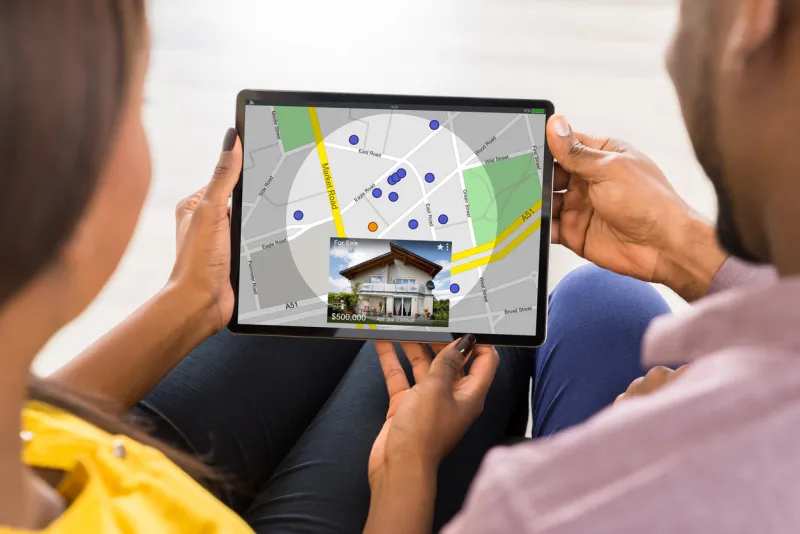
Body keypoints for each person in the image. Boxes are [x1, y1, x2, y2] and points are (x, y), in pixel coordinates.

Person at [0, 1, 664, 533]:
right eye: (135, 104)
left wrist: (190, 302)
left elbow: (25, 425)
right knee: (497, 328)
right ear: (68, 196)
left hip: (71, 453)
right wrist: (407, 466)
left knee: (337, 301)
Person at [363, 0, 799, 532]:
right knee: (600, 297)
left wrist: (403, 465)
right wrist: (682, 248)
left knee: (351, 334)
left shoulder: (538, 505)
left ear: (754, 15)